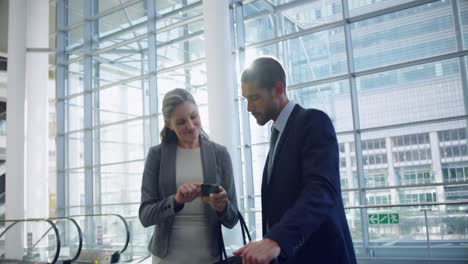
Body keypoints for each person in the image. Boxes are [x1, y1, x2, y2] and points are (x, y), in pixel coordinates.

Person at [233, 57, 356, 264]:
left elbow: (321, 190)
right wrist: (267, 243)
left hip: (322, 256)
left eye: (254, 98)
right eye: (246, 99)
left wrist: (276, 239)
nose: (249, 108)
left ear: (278, 89)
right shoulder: (278, 136)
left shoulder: (313, 121)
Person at [139, 88, 239, 264]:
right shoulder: (157, 155)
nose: (191, 126)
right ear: (168, 124)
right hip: (167, 259)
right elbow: (145, 216)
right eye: (181, 122)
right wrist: (176, 201)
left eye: (194, 116)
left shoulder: (220, 154)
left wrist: (222, 206)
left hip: (209, 258)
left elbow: (232, 219)